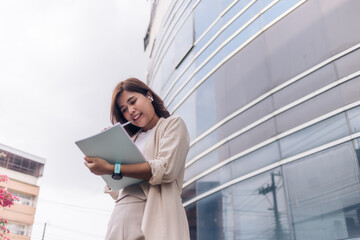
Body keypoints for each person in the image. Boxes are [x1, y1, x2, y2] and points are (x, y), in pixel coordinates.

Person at [84, 78, 190, 240]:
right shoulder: (132, 140)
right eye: (124, 109)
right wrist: (109, 152)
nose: (131, 111)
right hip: (120, 219)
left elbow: (164, 168)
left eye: (133, 102)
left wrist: (112, 168)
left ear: (149, 96)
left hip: (155, 217)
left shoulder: (172, 125)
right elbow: (118, 191)